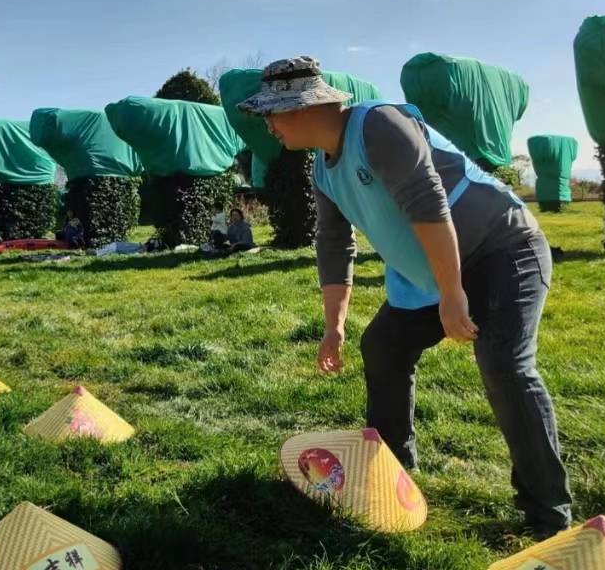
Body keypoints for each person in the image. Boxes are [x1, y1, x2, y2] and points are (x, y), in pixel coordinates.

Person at [238, 57, 571, 540]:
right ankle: (391, 465)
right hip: (432, 274)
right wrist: (334, 326)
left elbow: (428, 201)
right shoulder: (323, 169)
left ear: (309, 107)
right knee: (384, 347)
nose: (268, 124)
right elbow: (334, 244)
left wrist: (454, 293)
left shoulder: (380, 124)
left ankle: (548, 516)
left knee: (505, 366)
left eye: (274, 112)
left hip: (503, 252)